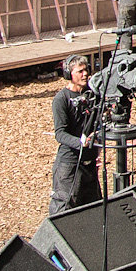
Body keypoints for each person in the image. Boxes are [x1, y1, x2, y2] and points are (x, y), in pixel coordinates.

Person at [49, 56, 104, 215]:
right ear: (68, 74)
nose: (85, 74)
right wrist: (81, 142)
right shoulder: (61, 99)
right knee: (64, 212)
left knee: (93, 210)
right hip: (70, 165)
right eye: (80, 71)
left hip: (90, 164)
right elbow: (60, 134)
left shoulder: (93, 95)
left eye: (86, 70)